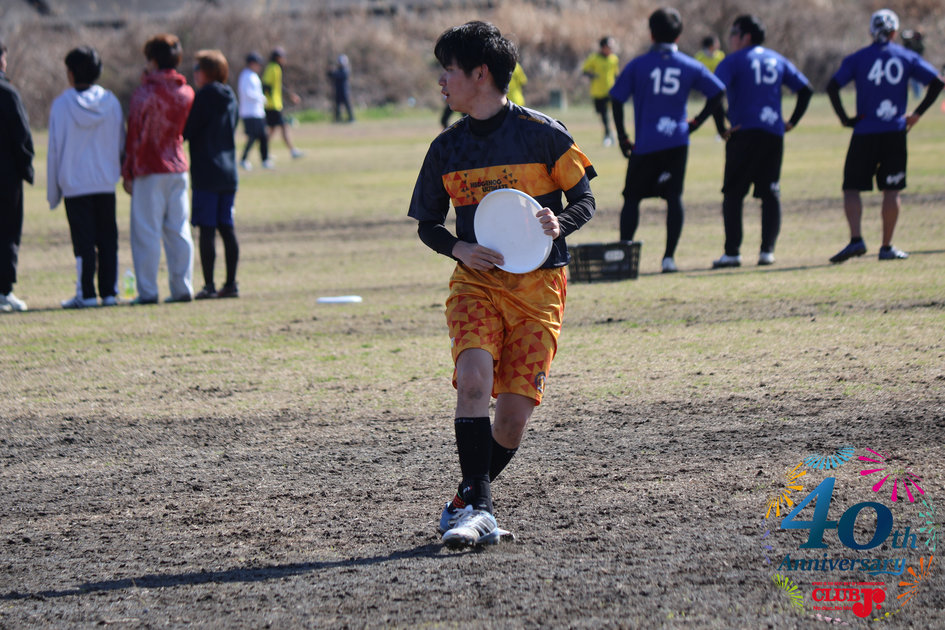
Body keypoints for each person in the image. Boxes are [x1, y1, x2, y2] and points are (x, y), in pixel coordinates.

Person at [408, 21, 596, 548]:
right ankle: (482, 512)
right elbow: (428, 224)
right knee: (472, 381)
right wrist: (459, 248)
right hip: (477, 284)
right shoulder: (446, 148)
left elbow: (585, 199)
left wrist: (562, 222)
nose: (441, 80)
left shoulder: (544, 134)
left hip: (541, 289)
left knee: (511, 421)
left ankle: (465, 501)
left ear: (480, 74)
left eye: (448, 69)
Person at [609, 7, 724, 273]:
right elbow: (718, 92)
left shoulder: (638, 65)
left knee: (632, 197)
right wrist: (696, 122)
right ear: (679, 35)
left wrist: (623, 136)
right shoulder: (689, 65)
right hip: (676, 141)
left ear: (651, 34)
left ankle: (625, 256)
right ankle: (669, 258)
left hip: (645, 143)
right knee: (674, 197)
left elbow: (616, 98)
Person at [826, 9, 943, 264]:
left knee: (851, 187)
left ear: (871, 31)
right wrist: (917, 114)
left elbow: (832, 86)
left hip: (864, 131)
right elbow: (937, 83)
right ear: (894, 32)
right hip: (894, 131)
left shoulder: (858, 58)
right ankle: (886, 246)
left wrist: (845, 118)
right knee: (892, 188)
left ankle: (856, 239)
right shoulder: (906, 56)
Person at [710, 15, 813, 268]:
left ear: (745, 37)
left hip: (743, 133)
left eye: (734, 33)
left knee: (733, 194)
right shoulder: (777, 59)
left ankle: (732, 252)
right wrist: (792, 121)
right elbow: (806, 90)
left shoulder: (733, 60)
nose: (731, 38)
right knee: (770, 192)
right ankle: (767, 251)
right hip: (772, 133)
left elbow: (714, 91)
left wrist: (721, 127)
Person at [47, 46, 124, 308]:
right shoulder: (111, 102)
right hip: (105, 182)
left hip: (74, 184)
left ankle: (87, 293)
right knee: (108, 239)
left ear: (71, 73)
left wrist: (53, 192)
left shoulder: (62, 105)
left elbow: (54, 150)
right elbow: (120, 142)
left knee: (83, 242)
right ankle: (109, 292)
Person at [122, 33, 195, 304]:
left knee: (146, 232)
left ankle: (148, 291)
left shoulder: (144, 93)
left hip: (149, 167)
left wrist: (127, 170)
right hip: (178, 166)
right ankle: (182, 286)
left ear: (152, 60)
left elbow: (135, 134)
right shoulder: (186, 92)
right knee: (179, 230)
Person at [183, 50, 240, 300]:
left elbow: (188, 130)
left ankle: (209, 285)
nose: (195, 73)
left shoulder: (204, 96)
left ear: (209, 72)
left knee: (206, 229)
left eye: (198, 69)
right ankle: (231, 283)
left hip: (206, 171)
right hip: (228, 172)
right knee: (227, 227)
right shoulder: (231, 96)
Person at [0, 38, 33, 313]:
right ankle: (4, 290)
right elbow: (22, 137)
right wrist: (26, 168)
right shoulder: (7, 93)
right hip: (5, 178)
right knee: (7, 232)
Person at [261, 47, 303, 159]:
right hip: (272, 105)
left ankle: (264, 152)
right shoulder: (272, 68)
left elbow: (278, 86)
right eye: (283, 57)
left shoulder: (275, 68)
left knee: (272, 129)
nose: (284, 59)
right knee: (283, 126)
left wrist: (290, 95)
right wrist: (266, 99)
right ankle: (292, 151)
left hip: (274, 104)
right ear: (278, 58)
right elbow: (266, 85)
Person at [582, 36, 620, 146]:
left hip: (611, 91)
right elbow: (585, 70)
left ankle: (608, 135)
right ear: (603, 47)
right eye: (609, 47)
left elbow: (616, 74)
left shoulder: (614, 59)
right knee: (602, 114)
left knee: (608, 113)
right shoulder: (594, 58)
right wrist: (592, 75)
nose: (611, 49)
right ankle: (610, 133)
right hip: (598, 91)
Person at [237, 52, 270, 170]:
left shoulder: (254, 76)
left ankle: (265, 159)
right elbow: (247, 93)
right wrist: (260, 97)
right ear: (251, 63)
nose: (259, 66)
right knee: (253, 137)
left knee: (263, 136)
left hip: (258, 112)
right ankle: (243, 159)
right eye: (257, 64)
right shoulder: (245, 76)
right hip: (249, 112)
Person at [327, 54, 355, 123]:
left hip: (345, 91)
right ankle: (338, 118)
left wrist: (332, 72)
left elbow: (338, 75)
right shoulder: (338, 70)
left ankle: (351, 118)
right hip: (338, 91)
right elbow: (331, 75)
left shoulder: (346, 70)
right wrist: (329, 70)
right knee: (337, 106)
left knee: (347, 105)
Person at [900, 29, 925, 99]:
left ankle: (918, 96)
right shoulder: (910, 44)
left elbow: (915, 52)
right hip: (908, 65)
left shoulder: (919, 45)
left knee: (915, 81)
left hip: (916, 66)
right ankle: (916, 96)